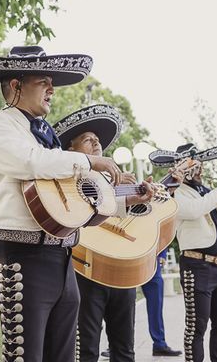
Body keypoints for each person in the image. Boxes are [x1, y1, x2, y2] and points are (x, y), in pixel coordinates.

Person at [0, 47, 137, 362]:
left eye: (52, 82)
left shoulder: (48, 141)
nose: (52, 89)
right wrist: (90, 160)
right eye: (43, 81)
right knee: (25, 356)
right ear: (16, 85)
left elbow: (77, 202)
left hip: (61, 255)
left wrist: (127, 197)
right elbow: (29, 162)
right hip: (19, 252)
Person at [52, 104, 155, 362]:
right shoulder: (64, 179)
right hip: (86, 270)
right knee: (86, 348)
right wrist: (121, 196)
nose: (97, 144)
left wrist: (138, 197)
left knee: (124, 348)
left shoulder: (114, 183)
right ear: (71, 150)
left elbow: (125, 216)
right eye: (88, 140)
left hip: (120, 269)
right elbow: (83, 206)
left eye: (98, 141)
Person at [163, 143, 217, 362]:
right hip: (197, 267)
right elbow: (193, 211)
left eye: (200, 166)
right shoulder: (176, 192)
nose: (200, 171)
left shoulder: (207, 193)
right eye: (195, 166)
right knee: (196, 327)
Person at [140, 248, 182, 357]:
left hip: (152, 264)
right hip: (127, 261)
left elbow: (164, 234)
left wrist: (162, 255)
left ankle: (159, 345)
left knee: (156, 307)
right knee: (122, 306)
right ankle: (114, 346)